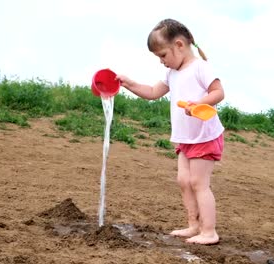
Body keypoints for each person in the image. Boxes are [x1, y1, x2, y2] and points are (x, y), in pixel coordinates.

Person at [116, 18, 225, 245]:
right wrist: (129, 84)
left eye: (163, 55)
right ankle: (193, 225)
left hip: (204, 136)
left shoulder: (200, 67)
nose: (162, 62)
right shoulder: (172, 73)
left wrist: (198, 104)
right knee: (184, 180)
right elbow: (154, 92)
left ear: (179, 45)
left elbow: (218, 92)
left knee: (198, 182)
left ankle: (209, 230)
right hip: (185, 138)